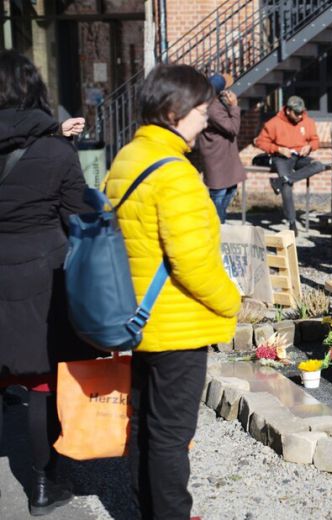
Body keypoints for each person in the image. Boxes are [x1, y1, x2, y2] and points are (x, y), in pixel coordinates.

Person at [103, 64, 241, 519]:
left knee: (144, 423)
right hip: (176, 325)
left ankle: (148, 510)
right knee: (171, 435)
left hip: (138, 315)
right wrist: (231, 301)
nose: (205, 120)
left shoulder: (128, 158)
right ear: (172, 111)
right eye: (201, 111)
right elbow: (193, 263)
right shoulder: (175, 174)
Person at [0, 49, 96, 516]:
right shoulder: (56, 153)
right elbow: (79, 216)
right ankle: (43, 485)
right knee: (39, 385)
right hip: (39, 277)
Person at [254, 95, 326, 234]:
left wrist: (310, 146)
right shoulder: (273, 123)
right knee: (286, 187)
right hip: (281, 157)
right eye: (297, 113)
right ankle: (292, 222)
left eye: (302, 112)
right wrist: (278, 149)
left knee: (318, 165)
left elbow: (316, 141)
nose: (300, 116)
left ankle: (281, 180)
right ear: (288, 110)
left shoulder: (307, 121)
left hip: (299, 156)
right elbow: (260, 142)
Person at [196, 73, 246, 223]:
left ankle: (220, 223)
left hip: (226, 156)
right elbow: (232, 128)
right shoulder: (212, 109)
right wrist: (234, 107)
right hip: (217, 158)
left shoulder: (216, 103)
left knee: (231, 190)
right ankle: (218, 229)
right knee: (219, 195)